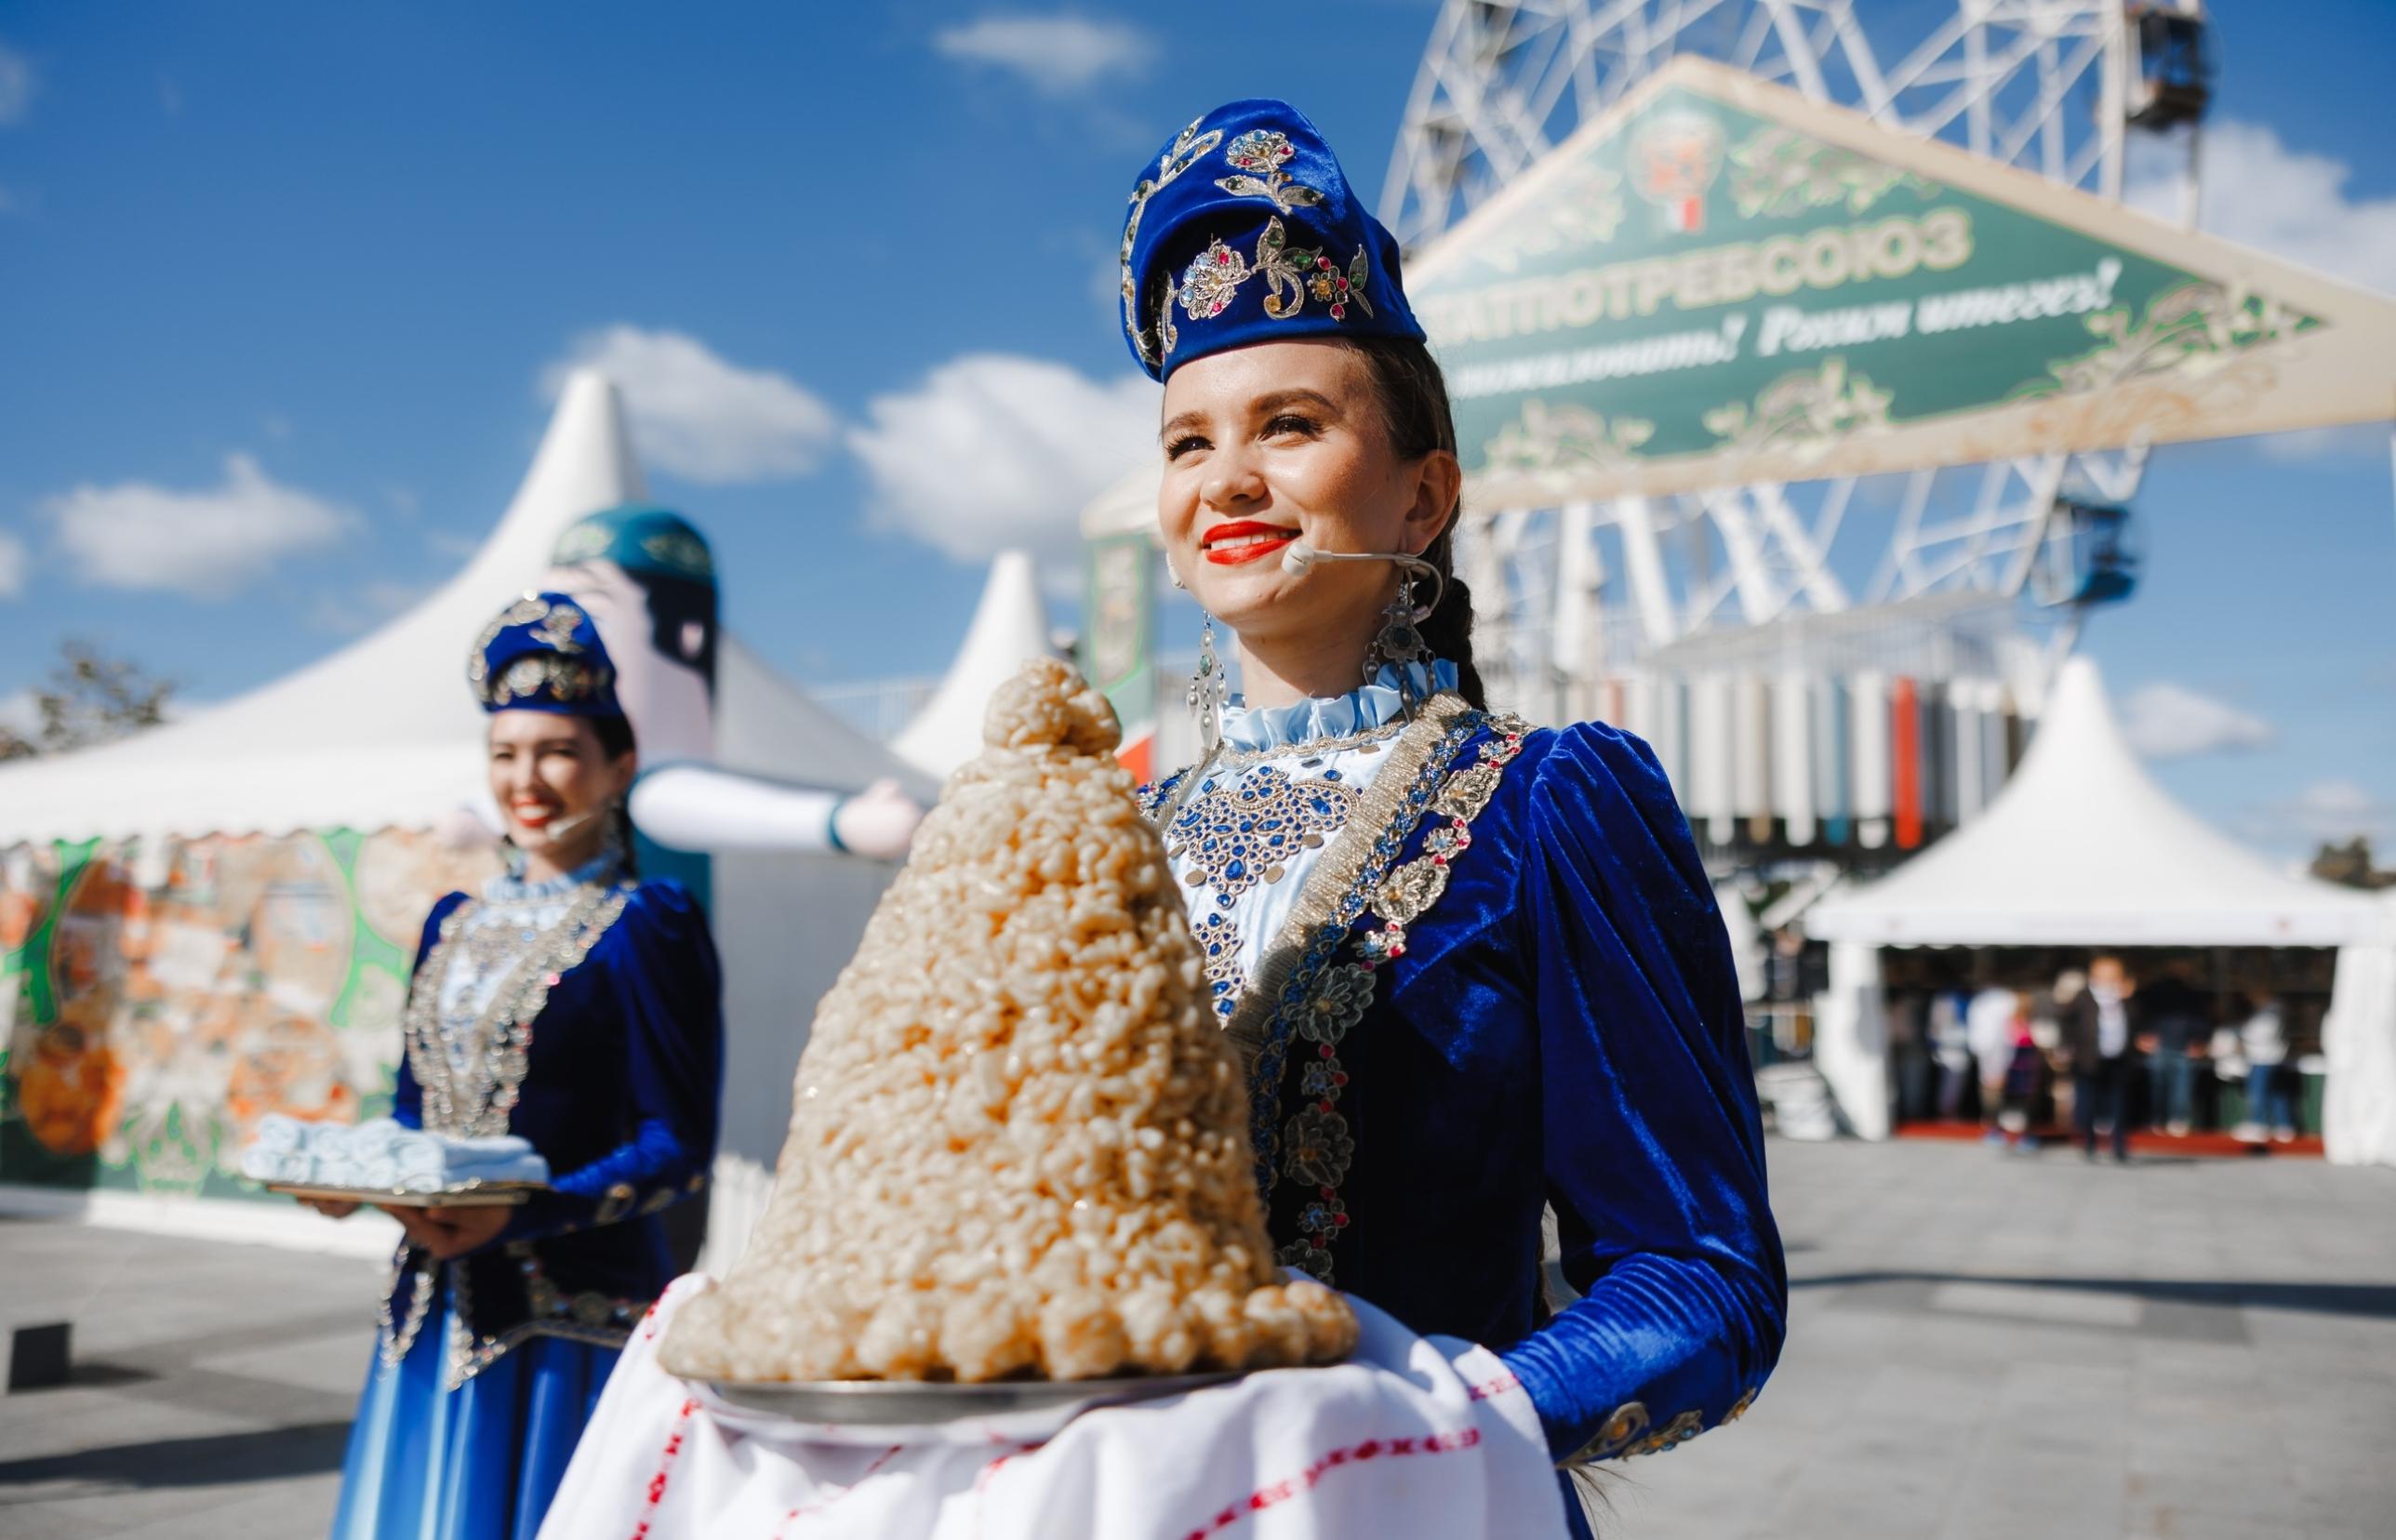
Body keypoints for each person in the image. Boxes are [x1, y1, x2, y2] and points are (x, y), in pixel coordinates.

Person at [1124, 100, 1784, 1533]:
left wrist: (1430, 1422)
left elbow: (1703, 1281)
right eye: (1189, 443)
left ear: (1426, 498)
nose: (1228, 480)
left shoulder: (1554, 801)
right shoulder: (1109, 843)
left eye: (1289, 427)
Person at [304, 592, 725, 1540]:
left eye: (557, 751)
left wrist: (524, 1210)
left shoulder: (646, 924)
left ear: (619, 766)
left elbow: (678, 1146)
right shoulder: (449, 921)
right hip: (427, 1317)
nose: (526, 779)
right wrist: (362, 1183)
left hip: (568, 1327)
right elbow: (415, 1116)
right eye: (504, 755)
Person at [2063, 953, 2137, 1162]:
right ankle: (2089, 1142)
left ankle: (2119, 1145)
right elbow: (2066, 1023)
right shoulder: (2083, 997)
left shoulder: (2125, 998)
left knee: (2119, 1104)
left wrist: (2129, 996)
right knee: (2088, 1103)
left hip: (2119, 1059)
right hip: (2089, 1060)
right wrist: (2072, 1048)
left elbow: (2137, 1022)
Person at [2136, 958, 2210, 1136]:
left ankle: (2177, 1120)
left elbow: (2202, 1020)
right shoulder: (2154, 991)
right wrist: (2141, 1034)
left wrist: (2200, 1040)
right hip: (2160, 1046)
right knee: (2157, 1088)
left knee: (2181, 1089)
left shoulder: (2194, 993)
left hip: (2183, 1047)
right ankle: (2157, 1119)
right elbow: (2140, 1014)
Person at [2236, 989, 2297, 1143]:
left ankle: (2258, 1124)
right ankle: (2283, 1126)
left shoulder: (2272, 1011)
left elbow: (2261, 1033)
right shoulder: (2266, 1010)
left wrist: (2242, 1033)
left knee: (2259, 1093)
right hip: (2265, 1057)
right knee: (2276, 1094)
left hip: (2264, 1058)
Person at [1965, 979, 2018, 1143]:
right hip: (1996, 1052)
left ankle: (2000, 1125)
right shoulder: (1987, 1001)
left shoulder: (1996, 1000)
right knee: (1993, 1091)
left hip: (2002, 1051)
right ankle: (1996, 1125)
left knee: (1997, 1091)